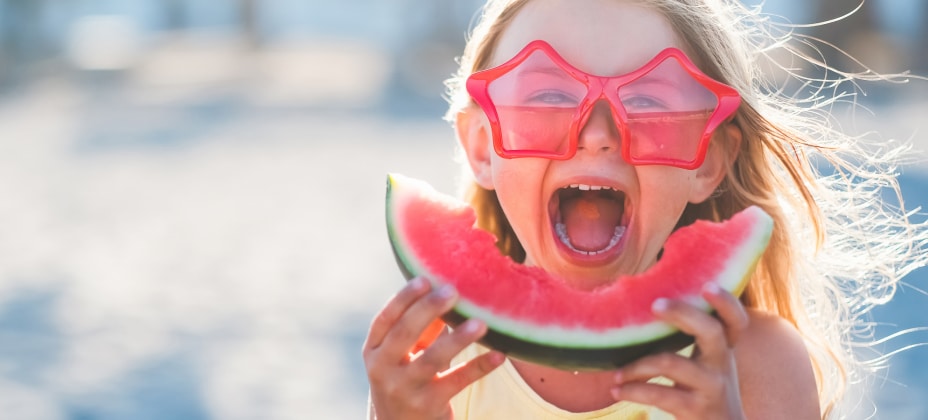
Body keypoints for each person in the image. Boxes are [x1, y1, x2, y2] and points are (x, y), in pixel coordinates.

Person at [362, 0, 928, 418]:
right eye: (550, 94)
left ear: (708, 160)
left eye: (650, 101)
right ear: (483, 147)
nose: (597, 134)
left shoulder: (754, 364)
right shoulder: (432, 366)